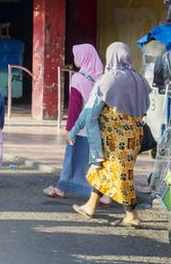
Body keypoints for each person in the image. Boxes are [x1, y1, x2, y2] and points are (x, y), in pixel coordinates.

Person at [71, 42, 151, 228]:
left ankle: (132, 215)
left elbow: (92, 111)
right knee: (105, 170)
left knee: (121, 175)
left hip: (114, 139)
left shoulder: (109, 79)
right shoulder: (139, 79)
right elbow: (146, 106)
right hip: (134, 136)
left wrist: (76, 129)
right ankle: (90, 206)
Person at [44, 44, 104, 200]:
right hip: (99, 128)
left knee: (72, 159)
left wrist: (70, 129)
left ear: (84, 58)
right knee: (96, 163)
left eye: (77, 56)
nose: (75, 59)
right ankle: (102, 195)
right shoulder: (102, 77)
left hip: (82, 128)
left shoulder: (78, 78)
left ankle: (62, 188)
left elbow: (74, 107)